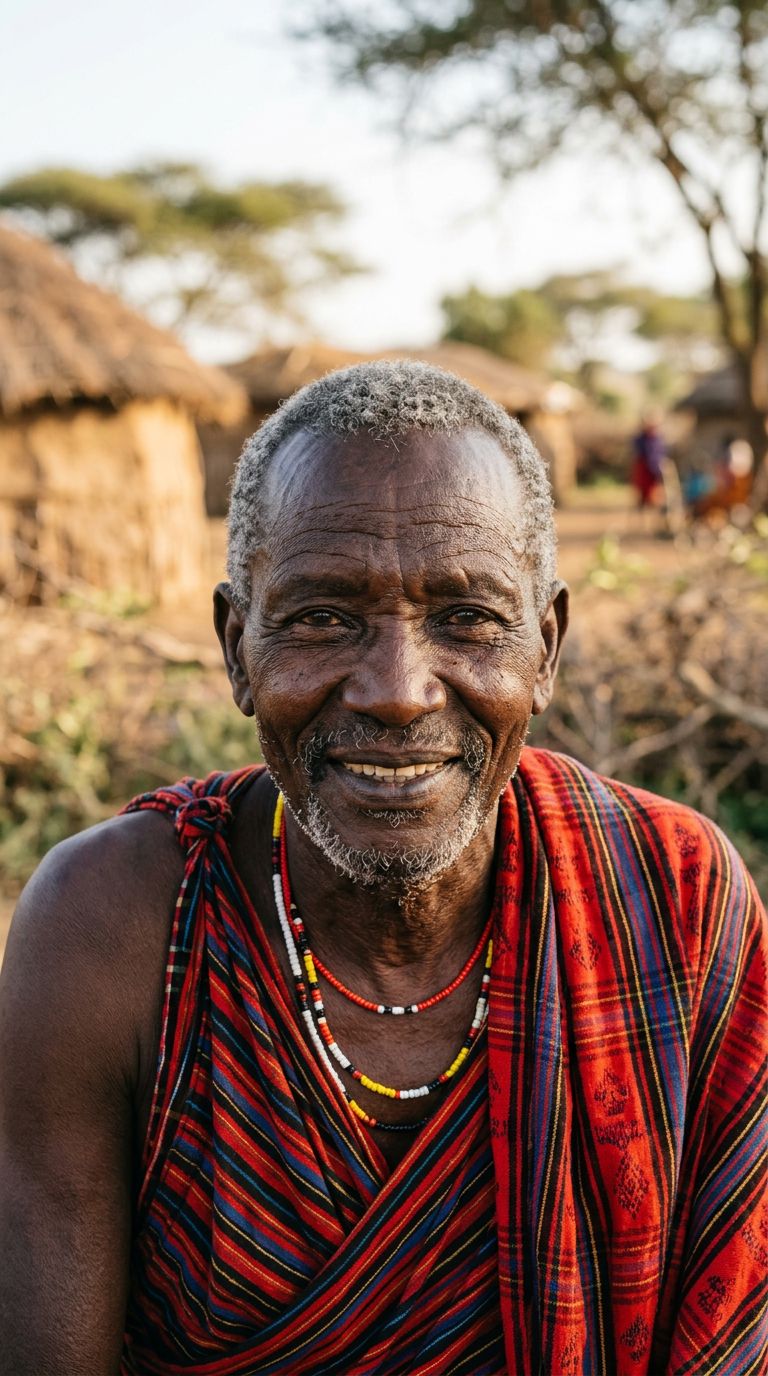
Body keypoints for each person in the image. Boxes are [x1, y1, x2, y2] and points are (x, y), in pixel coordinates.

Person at [0, 362, 765, 1376]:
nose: (399, 692)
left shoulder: (673, 899)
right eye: (322, 616)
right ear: (237, 646)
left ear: (547, 644)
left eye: (468, 618)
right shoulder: (111, 925)